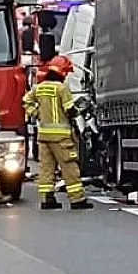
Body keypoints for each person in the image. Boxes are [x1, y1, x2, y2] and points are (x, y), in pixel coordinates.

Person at [26, 55, 90, 211]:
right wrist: (80, 112)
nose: (66, 76)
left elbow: (26, 101)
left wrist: (37, 114)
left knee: (46, 168)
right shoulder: (61, 89)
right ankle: (77, 199)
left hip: (43, 136)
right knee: (69, 166)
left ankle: (47, 199)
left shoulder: (38, 88)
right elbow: (69, 109)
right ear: (62, 72)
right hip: (61, 137)